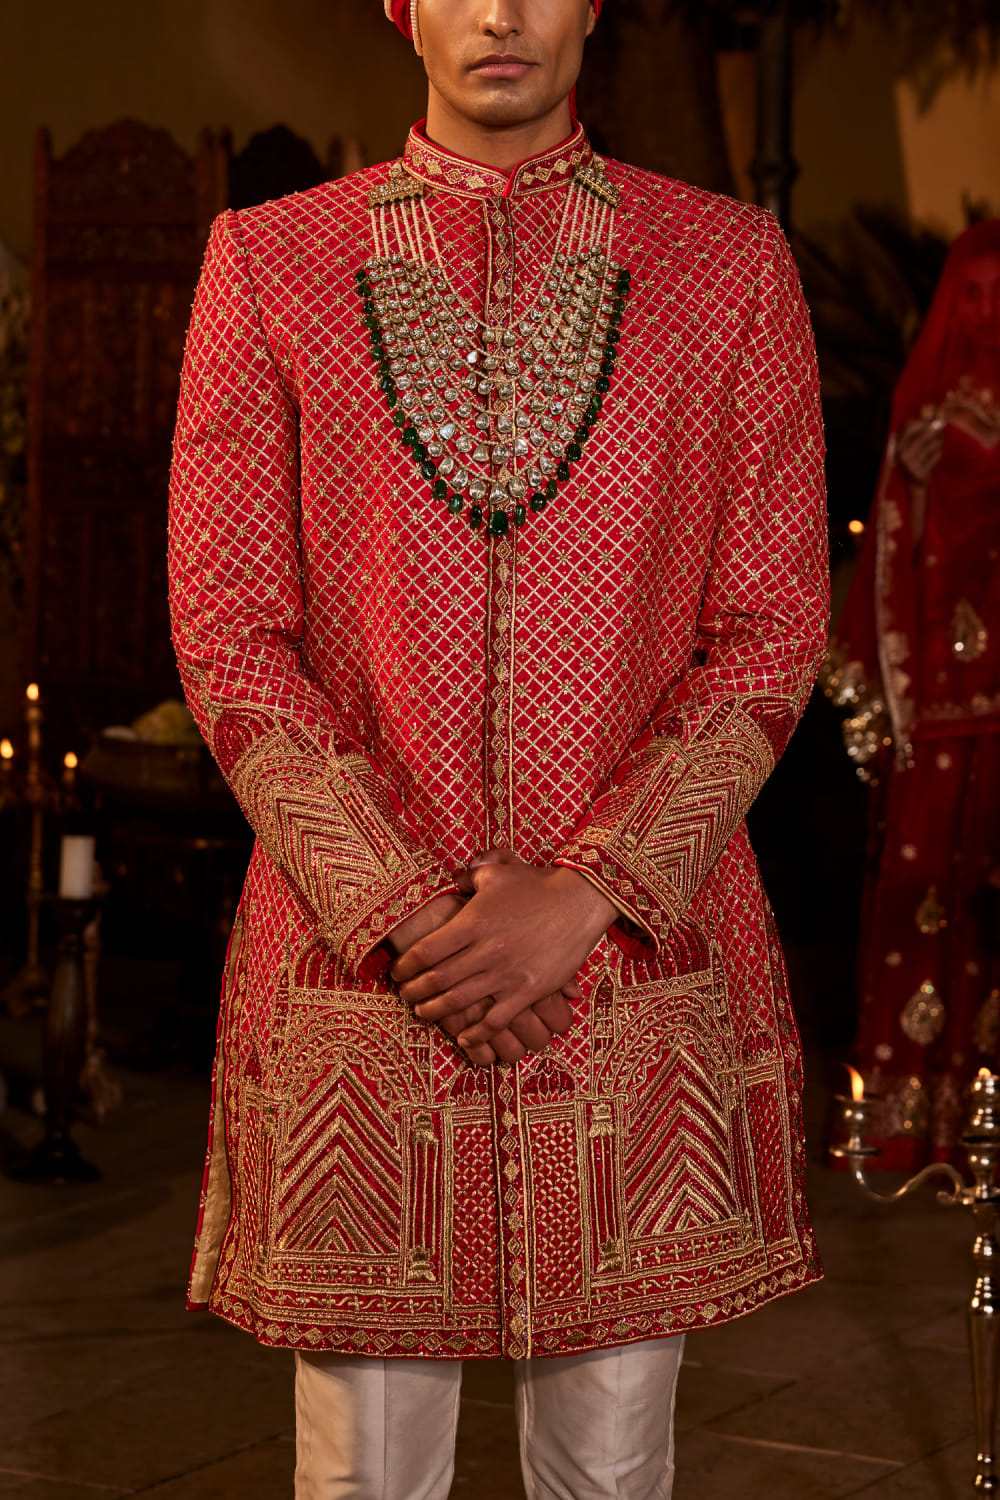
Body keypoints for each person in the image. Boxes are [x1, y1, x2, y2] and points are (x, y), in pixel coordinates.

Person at [168, 0, 828, 1493]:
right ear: (400, 5)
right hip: (363, 975)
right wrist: (413, 915)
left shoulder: (726, 266)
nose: (501, 13)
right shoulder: (271, 263)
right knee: (361, 1478)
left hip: (630, 971)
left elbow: (771, 632)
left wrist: (586, 893)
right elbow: (230, 636)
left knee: (611, 1472)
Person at [823, 220, 1000, 1170]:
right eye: (971, 301)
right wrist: (931, 486)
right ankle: (918, 1118)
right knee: (932, 905)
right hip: (942, 704)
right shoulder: (931, 420)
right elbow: (900, 533)